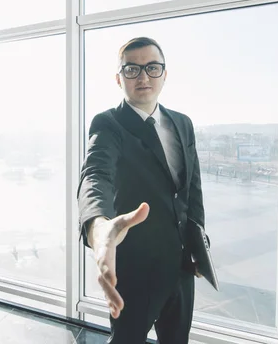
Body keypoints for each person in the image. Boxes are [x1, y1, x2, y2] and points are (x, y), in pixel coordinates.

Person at [77, 37, 207, 343]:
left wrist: (199, 243)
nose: (143, 76)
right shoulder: (108, 124)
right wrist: (98, 227)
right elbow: (95, 175)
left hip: (181, 265)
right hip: (136, 268)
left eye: (152, 67)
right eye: (132, 69)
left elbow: (193, 189)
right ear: (118, 78)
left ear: (164, 73)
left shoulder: (182, 123)